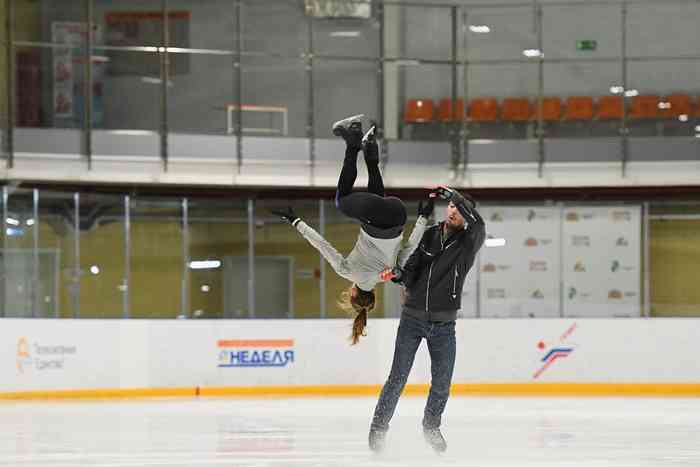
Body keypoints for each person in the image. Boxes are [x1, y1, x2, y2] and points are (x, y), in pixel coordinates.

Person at [273, 115, 433, 344]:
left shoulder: (389, 275)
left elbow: (411, 246)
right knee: (341, 200)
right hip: (375, 217)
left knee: (377, 199)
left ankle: (370, 147)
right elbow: (321, 244)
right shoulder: (347, 271)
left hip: (398, 214)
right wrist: (296, 221)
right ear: (354, 293)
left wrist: (423, 217)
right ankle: (353, 141)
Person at [368, 185, 486, 454]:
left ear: (467, 214)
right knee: (397, 377)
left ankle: (431, 425)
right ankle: (378, 427)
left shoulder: (470, 241)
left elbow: (479, 223)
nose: (453, 211)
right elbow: (412, 270)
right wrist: (396, 276)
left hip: (444, 325)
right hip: (412, 319)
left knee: (442, 381)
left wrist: (453, 194)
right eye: (452, 207)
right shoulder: (430, 236)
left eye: (459, 208)